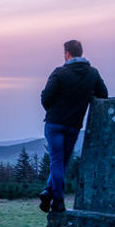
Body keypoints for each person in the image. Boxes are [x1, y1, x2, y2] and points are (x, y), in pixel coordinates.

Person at [39, 40, 108, 213]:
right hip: (74, 125)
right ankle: (48, 192)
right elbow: (103, 95)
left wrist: (54, 110)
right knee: (62, 162)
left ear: (68, 53)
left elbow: (46, 99)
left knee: (57, 162)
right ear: (80, 52)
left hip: (55, 124)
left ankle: (58, 200)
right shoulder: (92, 73)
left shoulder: (60, 73)